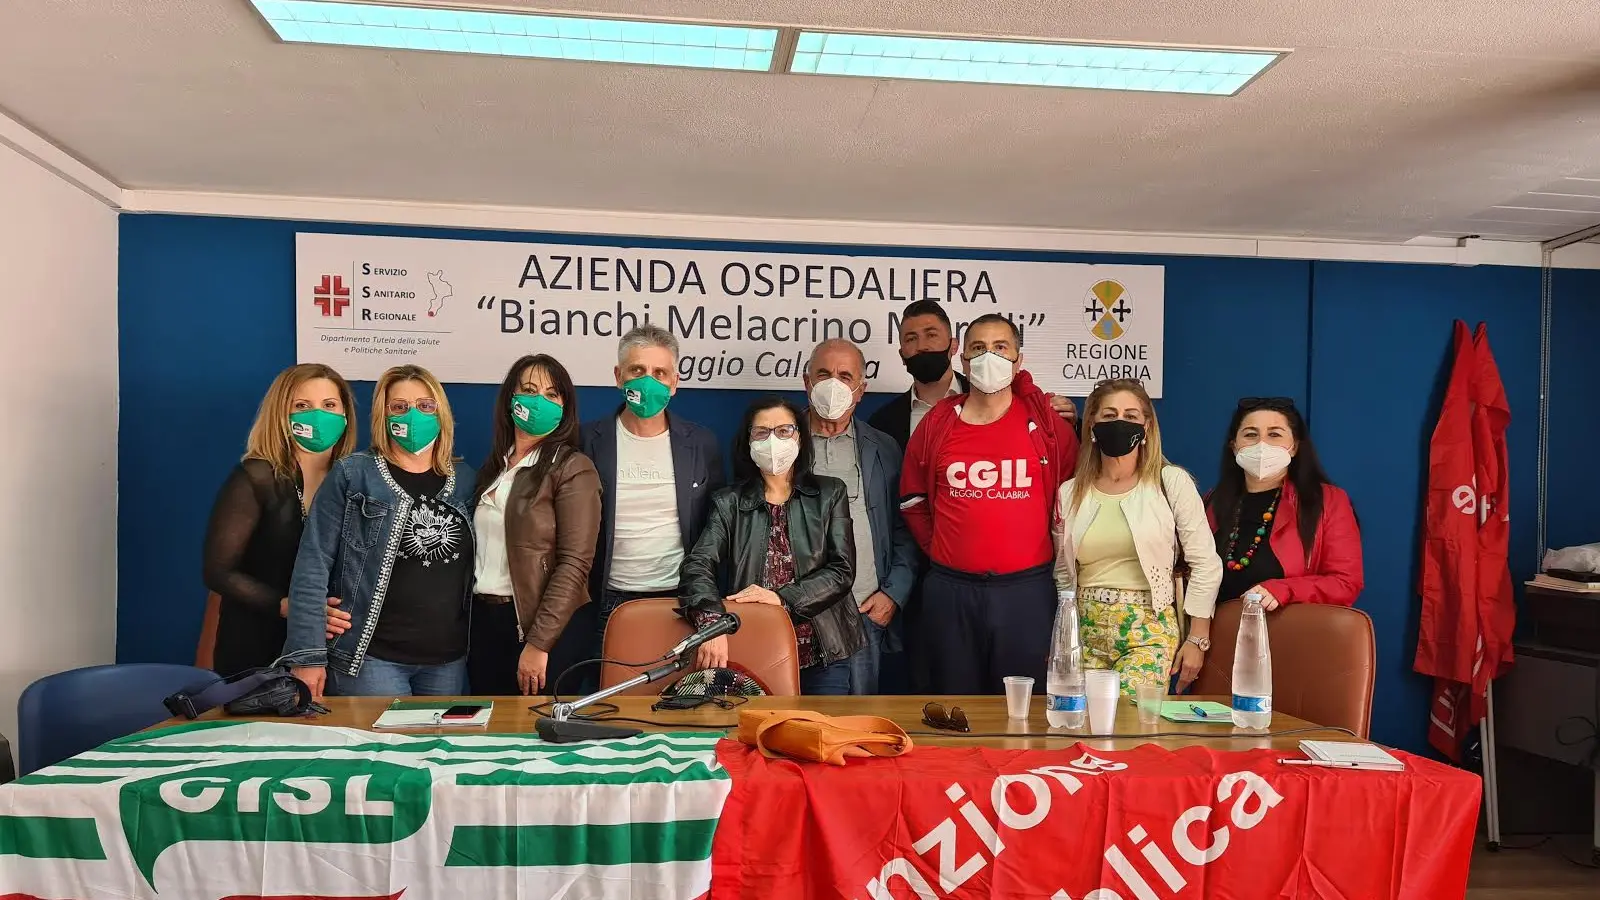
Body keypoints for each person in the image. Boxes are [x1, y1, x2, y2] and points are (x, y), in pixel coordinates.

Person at [899, 314, 1080, 694]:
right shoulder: (937, 422)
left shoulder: (1048, 426)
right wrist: (943, 548)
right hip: (951, 592)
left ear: (1018, 360)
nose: (989, 357)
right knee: (952, 707)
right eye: (978, 348)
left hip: (1026, 592)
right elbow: (912, 500)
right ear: (963, 360)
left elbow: (1074, 498)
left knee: (1025, 708)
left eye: (1000, 348)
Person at [283, 365, 476, 699]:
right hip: (371, 659)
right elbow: (313, 563)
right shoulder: (353, 475)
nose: (413, 415)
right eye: (399, 407)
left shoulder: (466, 480)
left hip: (447, 660)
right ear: (383, 416)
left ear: (441, 413)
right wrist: (307, 654)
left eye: (425, 406)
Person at [680, 397, 862, 695]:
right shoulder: (728, 502)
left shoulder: (829, 492)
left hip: (823, 650)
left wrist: (781, 598)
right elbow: (697, 565)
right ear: (748, 442)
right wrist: (712, 623)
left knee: (822, 725)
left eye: (784, 430)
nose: (773, 441)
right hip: (757, 646)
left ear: (800, 437)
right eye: (761, 432)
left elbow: (842, 571)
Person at [1053, 379, 1223, 695]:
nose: (1119, 422)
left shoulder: (1170, 482)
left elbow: (1205, 563)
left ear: (1146, 427)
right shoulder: (1070, 492)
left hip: (1148, 631)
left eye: (1130, 416)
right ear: (1092, 425)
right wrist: (1063, 635)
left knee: (1130, 721)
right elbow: (1063, 573)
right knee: (1080, 720)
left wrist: (1197, 638)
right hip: (1084, 632)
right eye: (1109, 415)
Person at [202, 364, 357, 676]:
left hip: (336, 645)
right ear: (281, 414)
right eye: (302, 406)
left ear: (345, 414)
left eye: (329, 405)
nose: (318, 416)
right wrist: (291, 607)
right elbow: (218, 572)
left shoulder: (355, 479)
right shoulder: (257, 477)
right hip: (258, 641)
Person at [581, 325, 724, 653]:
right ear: (618, 376)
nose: (648, 381)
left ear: (674, 383)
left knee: (680, 686)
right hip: (606, 602)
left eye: (660, 373)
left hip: (680, 601)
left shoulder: (701, 443)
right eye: (637, 370)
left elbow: (714, 529)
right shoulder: (586, 440)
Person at [470, 355, 602, 696]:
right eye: (529, 390)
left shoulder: (573, 468)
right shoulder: (493, 469)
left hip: (542, 629)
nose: (539, 400)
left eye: (551, 394)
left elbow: (575, 563)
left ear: (565, 406)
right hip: (484, 624)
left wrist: (539, 642)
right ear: (510, 399)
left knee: (535, 725)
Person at [802, 338, 920, 694]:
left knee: (856, 718)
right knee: (789, 718)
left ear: (860, 390)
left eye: (844, 376)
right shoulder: (779, 442)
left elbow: (905, 527)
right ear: (807, 382)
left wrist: (893, 594)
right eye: (823, 374)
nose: (833, 384)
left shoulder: (883, 447)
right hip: (795, 615)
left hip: (862, 613)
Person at [1206, 397, 1363, 609]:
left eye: (1274, 435)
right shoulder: (1211, 502)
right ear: (1234, 447)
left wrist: (1285, 590)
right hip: (1219, 628)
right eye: (1251, 434)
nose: (1262, 444)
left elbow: (1345, 583)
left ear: (1294, 446)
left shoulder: (1328, 501)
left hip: (1294, 628)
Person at [870, 299, 1077, 449]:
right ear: (901, 354)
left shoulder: (1003, 395)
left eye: (931, 335)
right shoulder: (881, 423)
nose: (922, 346)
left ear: (954, 346)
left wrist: (1067, 422)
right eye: (911, 339)